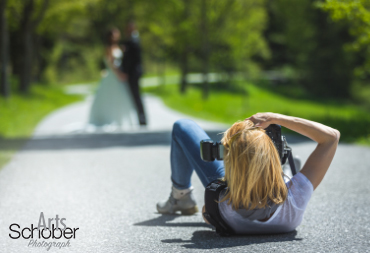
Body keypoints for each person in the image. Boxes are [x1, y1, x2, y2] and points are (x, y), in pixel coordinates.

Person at [157, 113, 340, 234]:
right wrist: (276, 117)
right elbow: (331, 136)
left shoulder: (218, 202)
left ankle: (181, 195)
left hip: (233, 191)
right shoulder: (296, 197)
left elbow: (207, 214)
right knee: (280, 175)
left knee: (183, 125)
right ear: (273, 156)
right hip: (278, 193)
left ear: (230, 163)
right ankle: (281, 172)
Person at [88, 28, 138, 130]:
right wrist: (119, 74)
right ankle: (110, 118)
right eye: (114, 35)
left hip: (118, 77)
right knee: (110, 97)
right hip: (113, 76)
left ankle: (121, 119)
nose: (116, 37)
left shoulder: (118, 47)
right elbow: (111, 64)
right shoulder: (108, 48)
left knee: (120, 98)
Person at [120, 21, 147, 126]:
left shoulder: (134, 41)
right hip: (130, 73)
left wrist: (125, 71)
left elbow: (131, 60)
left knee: (136, 96)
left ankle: (142, 118)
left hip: (133, 73)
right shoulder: (130, 41)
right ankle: (140, 118)